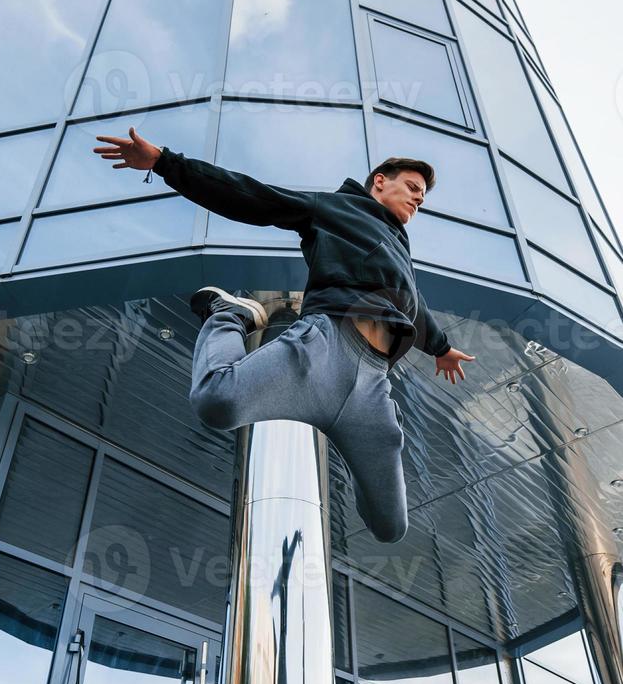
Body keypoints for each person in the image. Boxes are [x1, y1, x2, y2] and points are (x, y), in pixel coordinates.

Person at [93, 126, 476, 544]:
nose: (420, 198)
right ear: (380, 181)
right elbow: (255, 197)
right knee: (216, 402)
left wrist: (440, 348)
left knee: (390, 527)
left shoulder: (401, 250)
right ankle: (228, 313)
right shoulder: (336, 209)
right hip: (325, 347)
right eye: (413, 187)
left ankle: (348, 443)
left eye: (423, 195)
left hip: (371, 385)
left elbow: (414, 305)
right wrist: (166, 163)